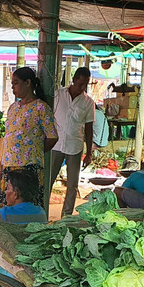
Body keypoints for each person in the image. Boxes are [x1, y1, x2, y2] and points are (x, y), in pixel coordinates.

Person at [2, 66, 57, 209]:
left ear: (28, 83)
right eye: (12, 83)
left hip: (29, 167)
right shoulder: (13, 107)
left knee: (27, 207)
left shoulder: (41, 107)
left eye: (16, 83)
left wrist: (35, 151)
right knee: (8, 207)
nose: (12, 87)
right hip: (9, 165)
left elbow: (52, 137)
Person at [47, 67, 95, 218]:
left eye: (85, 84)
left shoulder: (88, 103)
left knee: (72, 184)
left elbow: (89, 128)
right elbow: (48, 118)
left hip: (75, 146)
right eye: (80, 84)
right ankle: (42, 213)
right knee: (48, 181)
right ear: (74, 80)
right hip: (56, 144)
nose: (83, 87)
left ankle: (66, 217)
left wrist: (89, 153)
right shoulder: (58, 95)